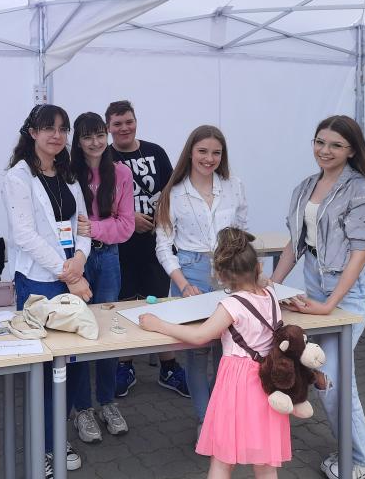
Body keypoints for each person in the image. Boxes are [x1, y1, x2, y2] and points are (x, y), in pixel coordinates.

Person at [271, 115, 365, 479]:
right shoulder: (306, 186)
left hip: (349, 290)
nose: (324, 150)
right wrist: (272, 287)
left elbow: (359, 253)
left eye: (335, 145)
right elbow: (296, 244)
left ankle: (363, 457)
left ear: (352, 150)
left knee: (328, 375)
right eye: (319, 142)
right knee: (332, 374)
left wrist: (329, 305)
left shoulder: (362, 191)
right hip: (317, 283)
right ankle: (358, 451)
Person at [140, 228, 291, 479]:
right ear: (259, 267)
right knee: (266, 465)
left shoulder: (231, 305)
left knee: (222, 460)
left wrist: (159, 324)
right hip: (267, 382)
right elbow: (263, 282)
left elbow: (200, 336)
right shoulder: (271, 294)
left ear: (220, 276)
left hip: (238, 385)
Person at [2, 104, 92, 478]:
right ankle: (44, 447)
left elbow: (84, 224)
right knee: (44, 369)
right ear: (33, 132)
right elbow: (25, 235)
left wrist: (80, 259)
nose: (57, 135)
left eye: (62, 129)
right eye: (48, 128)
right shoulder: (18, 177)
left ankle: (57, 436)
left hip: (72, 274)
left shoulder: (68, 175)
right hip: (39, 280)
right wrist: (68, 273)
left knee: (71, 364)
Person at [154, 125, 248, 427]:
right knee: (197, 352)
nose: (209, 158)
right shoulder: (174, 192)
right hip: (191, 272)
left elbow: (242, 231)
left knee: (228, 350)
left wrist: (242, 276)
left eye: (216, 153)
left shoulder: (233, 185)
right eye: (203, 151)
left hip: (228, 274)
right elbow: (163, 246)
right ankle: (206, 423)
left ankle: (219, 418)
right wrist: (182, 284)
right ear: (190, 153)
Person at [104, 100, 189, 398]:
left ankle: (169, 367)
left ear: (136, 121)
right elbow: (97, 202)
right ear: (108, 127)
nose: (124, 128)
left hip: (156, 245)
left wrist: (160, 218)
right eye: (117, 123)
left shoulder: (156, 152)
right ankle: (125, 365)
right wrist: (129, 219)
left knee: (160, 304)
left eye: (128, 121)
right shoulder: (104, 158)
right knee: (125, 305)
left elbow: (171, 191)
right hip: (121, 248)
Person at [69, 112, 134, 443]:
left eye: (99, 135)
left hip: (108, 257)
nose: (94, 142)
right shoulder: (68, 174)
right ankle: (82, 408)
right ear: (78, 141)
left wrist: (92, 228)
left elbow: (126, 226)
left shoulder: (121, 173)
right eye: (87, 136)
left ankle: (107, 402)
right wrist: (92, 231)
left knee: (108, 330)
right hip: (76, 260)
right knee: (80, 331)